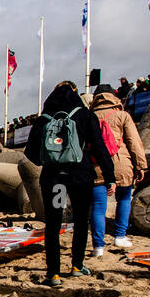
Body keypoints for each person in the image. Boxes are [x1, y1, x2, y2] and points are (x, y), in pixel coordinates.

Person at [26, 81, 116, 286]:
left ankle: (54, 273)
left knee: (54, 224)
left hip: (55, 179)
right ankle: (77, 265)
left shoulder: (44, 120)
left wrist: (49, 160)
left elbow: (30, 153)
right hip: (80, 178)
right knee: (81, 220)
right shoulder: (85, 115)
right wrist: (110, 177)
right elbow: (100, 149)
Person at [89, 86, 147, 254]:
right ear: (113, 97)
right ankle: (120, 236)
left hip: (96, 166)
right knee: (123, 199)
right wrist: (140, 165)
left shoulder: (89, 116)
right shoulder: (122, 116)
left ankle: (98, 246)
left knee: (99, 206)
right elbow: (134, 142)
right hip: (121, 164)